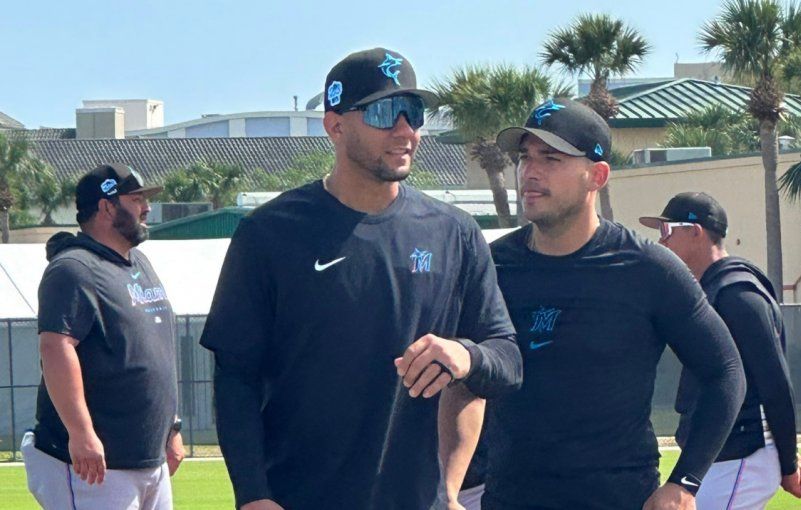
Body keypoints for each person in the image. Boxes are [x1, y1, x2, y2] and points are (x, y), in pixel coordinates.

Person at [199, 47, 522, 510]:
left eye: (414, 113)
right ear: (335, 125)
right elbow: (235, 378)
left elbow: (506, 358)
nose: (405, 130)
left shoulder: (454, 233)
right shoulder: (269, 233)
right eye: (385, 112)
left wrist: (465, 354)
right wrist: (252, 495)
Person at [476, 98, 747, 510]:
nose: (530, 171)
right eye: (525, 156)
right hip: (508, 499)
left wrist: (684, 483)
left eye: (551, 157)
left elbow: (725, 371)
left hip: (620, 499)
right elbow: (461, 384)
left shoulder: (648, 268)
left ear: (596, 175)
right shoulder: (493, 265)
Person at [640, 192, 801, 508]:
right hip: (725, 455)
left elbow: (775, 383)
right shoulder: (714, 290)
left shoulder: (736, 294)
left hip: (743, 454)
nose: (662, 242)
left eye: (668, 231)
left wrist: (788, 461)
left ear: (696, 231)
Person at [23, 163, 184, 509]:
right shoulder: (74, 269)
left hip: (146, 460)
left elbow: (154, 352)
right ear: (107, 206)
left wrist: (171, 427)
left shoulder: (137, 263)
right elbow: (55, 347)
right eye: (136, 199)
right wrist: (80, 434)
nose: (147, 208)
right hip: (94, 466)